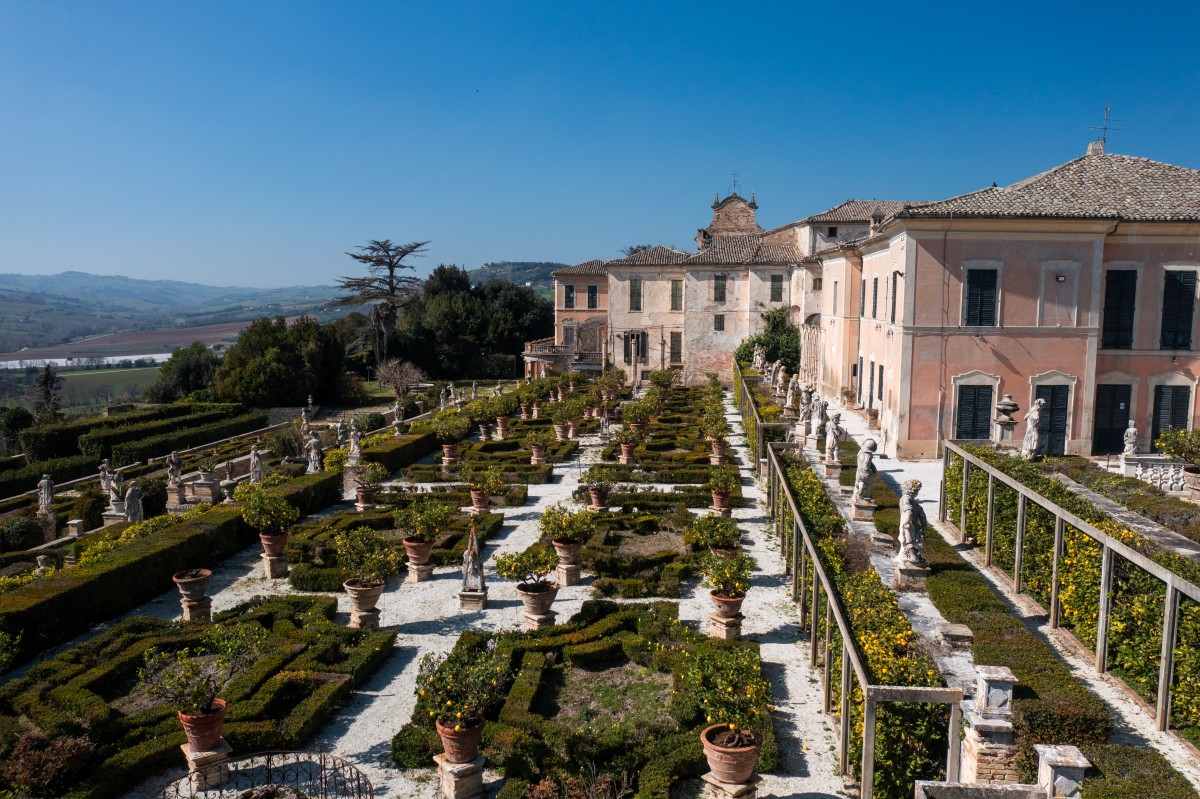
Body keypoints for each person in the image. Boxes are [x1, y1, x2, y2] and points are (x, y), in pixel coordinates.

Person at [896, 480, 928, 566]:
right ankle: (910, 557)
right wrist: (923, 526)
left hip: (908, 525)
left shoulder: (904, 499)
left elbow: (908, 512)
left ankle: (911, 558)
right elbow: (923, 517)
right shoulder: (913, 502)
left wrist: (904, 523)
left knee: (907, 542)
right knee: (912, 542)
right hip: (913, 525)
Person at [852, 439, 878, 504]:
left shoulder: (860, 452)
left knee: (857, 483)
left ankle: (855, 495)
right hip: (866, 473)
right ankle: (868, 496)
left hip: (859, 471)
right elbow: (867, 466)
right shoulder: (869, 456)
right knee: (869, 485)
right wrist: (873, 472)